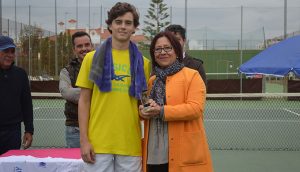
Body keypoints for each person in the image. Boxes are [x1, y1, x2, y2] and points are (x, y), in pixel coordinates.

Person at [76, 2, 150, 172]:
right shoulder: (91, 59)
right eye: (118, 22)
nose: (123, 26)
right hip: (98, 145)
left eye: (128, 23)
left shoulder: (144, 64)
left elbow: (143, 102)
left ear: (134, 28)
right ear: (110, 25)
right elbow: (84, 101)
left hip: (130, 144)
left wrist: (146, 110)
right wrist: (84, 141)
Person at [139, 31, 213, 172]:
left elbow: (196, 108)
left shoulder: (192, 76)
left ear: (177, 51)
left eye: (168, 48)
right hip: (154, 151)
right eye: (158, 49)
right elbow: (145, 107)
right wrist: (143, 112)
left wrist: (161, 111)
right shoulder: (151, 81)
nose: (163, 52)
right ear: (153, 54)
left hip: (183, 150)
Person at [0, 35, 34, 155]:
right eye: (5, 51)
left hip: (13, 132)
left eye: (12, 51)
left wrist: (29, 130)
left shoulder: (20, 74)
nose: (10, 54)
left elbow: (26, 103)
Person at [59, 31, 93, 148]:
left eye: (87, 44)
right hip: (74, 129)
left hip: (99, 126)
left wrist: (78, 91)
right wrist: (93, 92)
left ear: (92, 46)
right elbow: (67, 92)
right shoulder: (66, 71)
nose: (84, 48)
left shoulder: (102, 67)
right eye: (79, 46)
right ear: (74, 49)